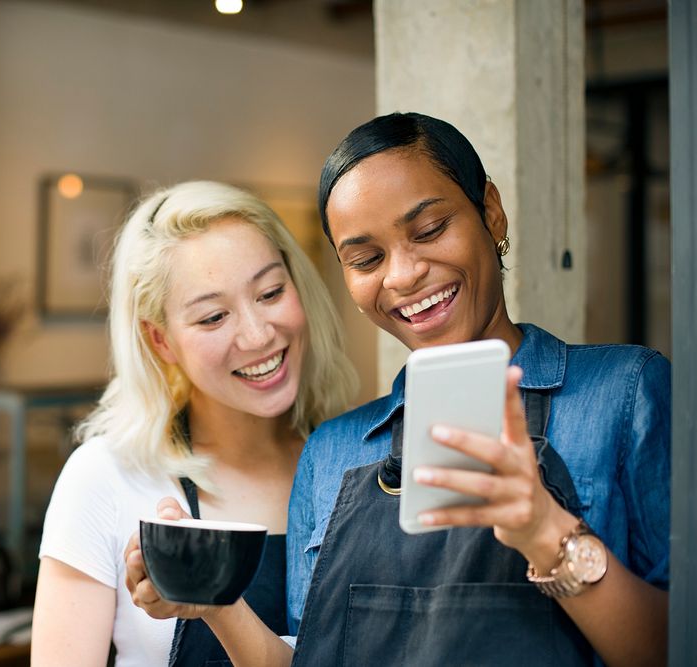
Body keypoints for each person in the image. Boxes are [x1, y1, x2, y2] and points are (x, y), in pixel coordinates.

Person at [126, 113, 670, 667]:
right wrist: (213, 602)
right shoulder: (334, 451)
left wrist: (544, 530)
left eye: (430, 229)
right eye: (367, 259)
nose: (403, 275)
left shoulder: (625, 393)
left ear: (491, 212)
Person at [30, 180, 358, 667]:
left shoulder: (358, 464)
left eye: (270, 292)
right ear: (161, 341)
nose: (257, 334)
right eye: (212, 317)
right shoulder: (105, 478)